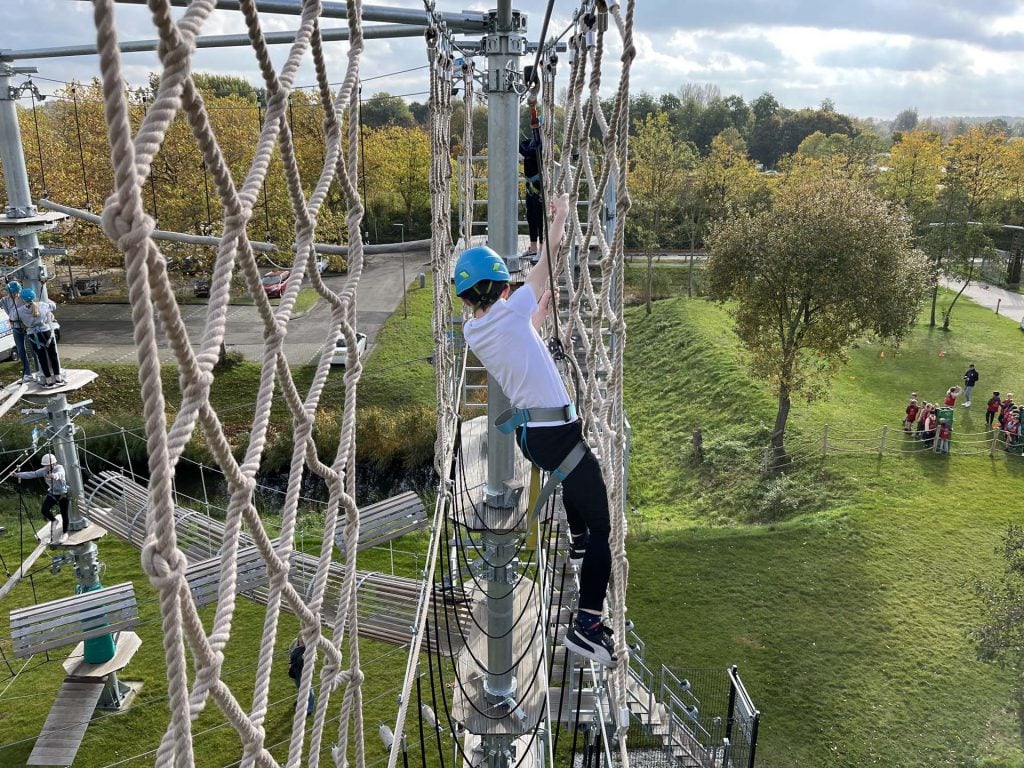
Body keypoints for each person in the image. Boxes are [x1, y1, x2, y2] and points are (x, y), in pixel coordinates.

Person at [453, 193, 617, 667]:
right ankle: (586, 625)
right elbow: (547, 262)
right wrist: (560, 218)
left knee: (580, 490)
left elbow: (522, 338)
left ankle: (580, 540)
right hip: (555, 434)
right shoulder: (505, 316)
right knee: (605, 526)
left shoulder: (480, 329)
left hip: (542, 436)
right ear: (499, 288)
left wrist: (539, 309)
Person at [14, 453, 69, 544]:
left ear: (53, 463)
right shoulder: (44, 471)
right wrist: (17, 475)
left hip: (62, 494)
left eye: (48, 465)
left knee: (64, 514)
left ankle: (65, 533)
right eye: (45, 465)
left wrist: (54, 476)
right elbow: (32, 474)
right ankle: (54, 520)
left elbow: (61, 474)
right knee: (44, 510)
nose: (46, 467)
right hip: (53, 493)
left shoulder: (59, 468)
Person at [15, 288, 62, 387]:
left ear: (23, 299)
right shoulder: (43, 305)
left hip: (33, 334)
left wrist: (17, 302)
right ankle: (58, 377)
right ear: (34, 296)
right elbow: (53, 306)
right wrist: (45, 298)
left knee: (42, 358)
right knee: (53, 355)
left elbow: (12, 317)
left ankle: (48, 380)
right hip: (46, 332)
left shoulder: (19, 310)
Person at [1, 281, 35, 383]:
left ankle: (39, 371)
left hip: (26, 326)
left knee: (33, 350)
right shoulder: (4, 300)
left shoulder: (23, 298)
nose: (14, 294)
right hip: (16, 327)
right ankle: (27, 374)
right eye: (12, 292)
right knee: (20, 350)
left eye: (16, 292)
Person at [519, 130, 543, 262]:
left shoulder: (542, 146)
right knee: (531, 217)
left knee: (540, 219)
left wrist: (527, 150)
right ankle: (533, 247)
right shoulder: (533, 142)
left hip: (538, 185)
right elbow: (522, 146)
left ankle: (541, 249)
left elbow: (529, 152)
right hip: (530, 185)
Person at [287, 641, 315, 717]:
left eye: (304, 640)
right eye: (301, 639)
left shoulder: (310, 647)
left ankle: (310, 707)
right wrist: (289, 665)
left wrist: (306, 658)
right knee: (299, 686)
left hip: (305, 672)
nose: (302, 641)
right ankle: (300, 699)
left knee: (308, 689)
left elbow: (314, 658)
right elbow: (290, 653)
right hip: (296, 670)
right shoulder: (295, 643)